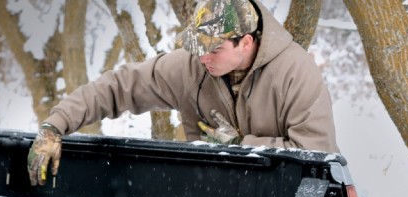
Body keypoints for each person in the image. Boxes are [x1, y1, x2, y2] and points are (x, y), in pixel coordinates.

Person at [28, 0, 339, 186]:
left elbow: (316, 156)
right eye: (198, 48)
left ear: (245, 42)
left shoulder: (296, 73)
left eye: (214, 50)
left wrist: (240, 145)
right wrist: (55, 126)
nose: (204, 58)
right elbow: (119, 87)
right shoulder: (192, 66)